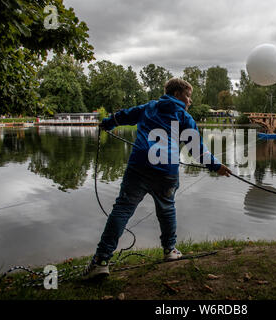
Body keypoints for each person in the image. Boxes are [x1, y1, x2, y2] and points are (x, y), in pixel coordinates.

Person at [85, 78, 232, 278]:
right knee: (167, 208)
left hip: (139, 166)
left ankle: (101, 261)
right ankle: (170, 250)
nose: (190, 101)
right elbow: (197, 150)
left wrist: (107, 124)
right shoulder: (184, 117)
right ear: (177, 94)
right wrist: (216, 166)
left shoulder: (150, 107)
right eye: (188, 96)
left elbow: (123, 116)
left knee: (122, 209)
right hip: (166, 171)